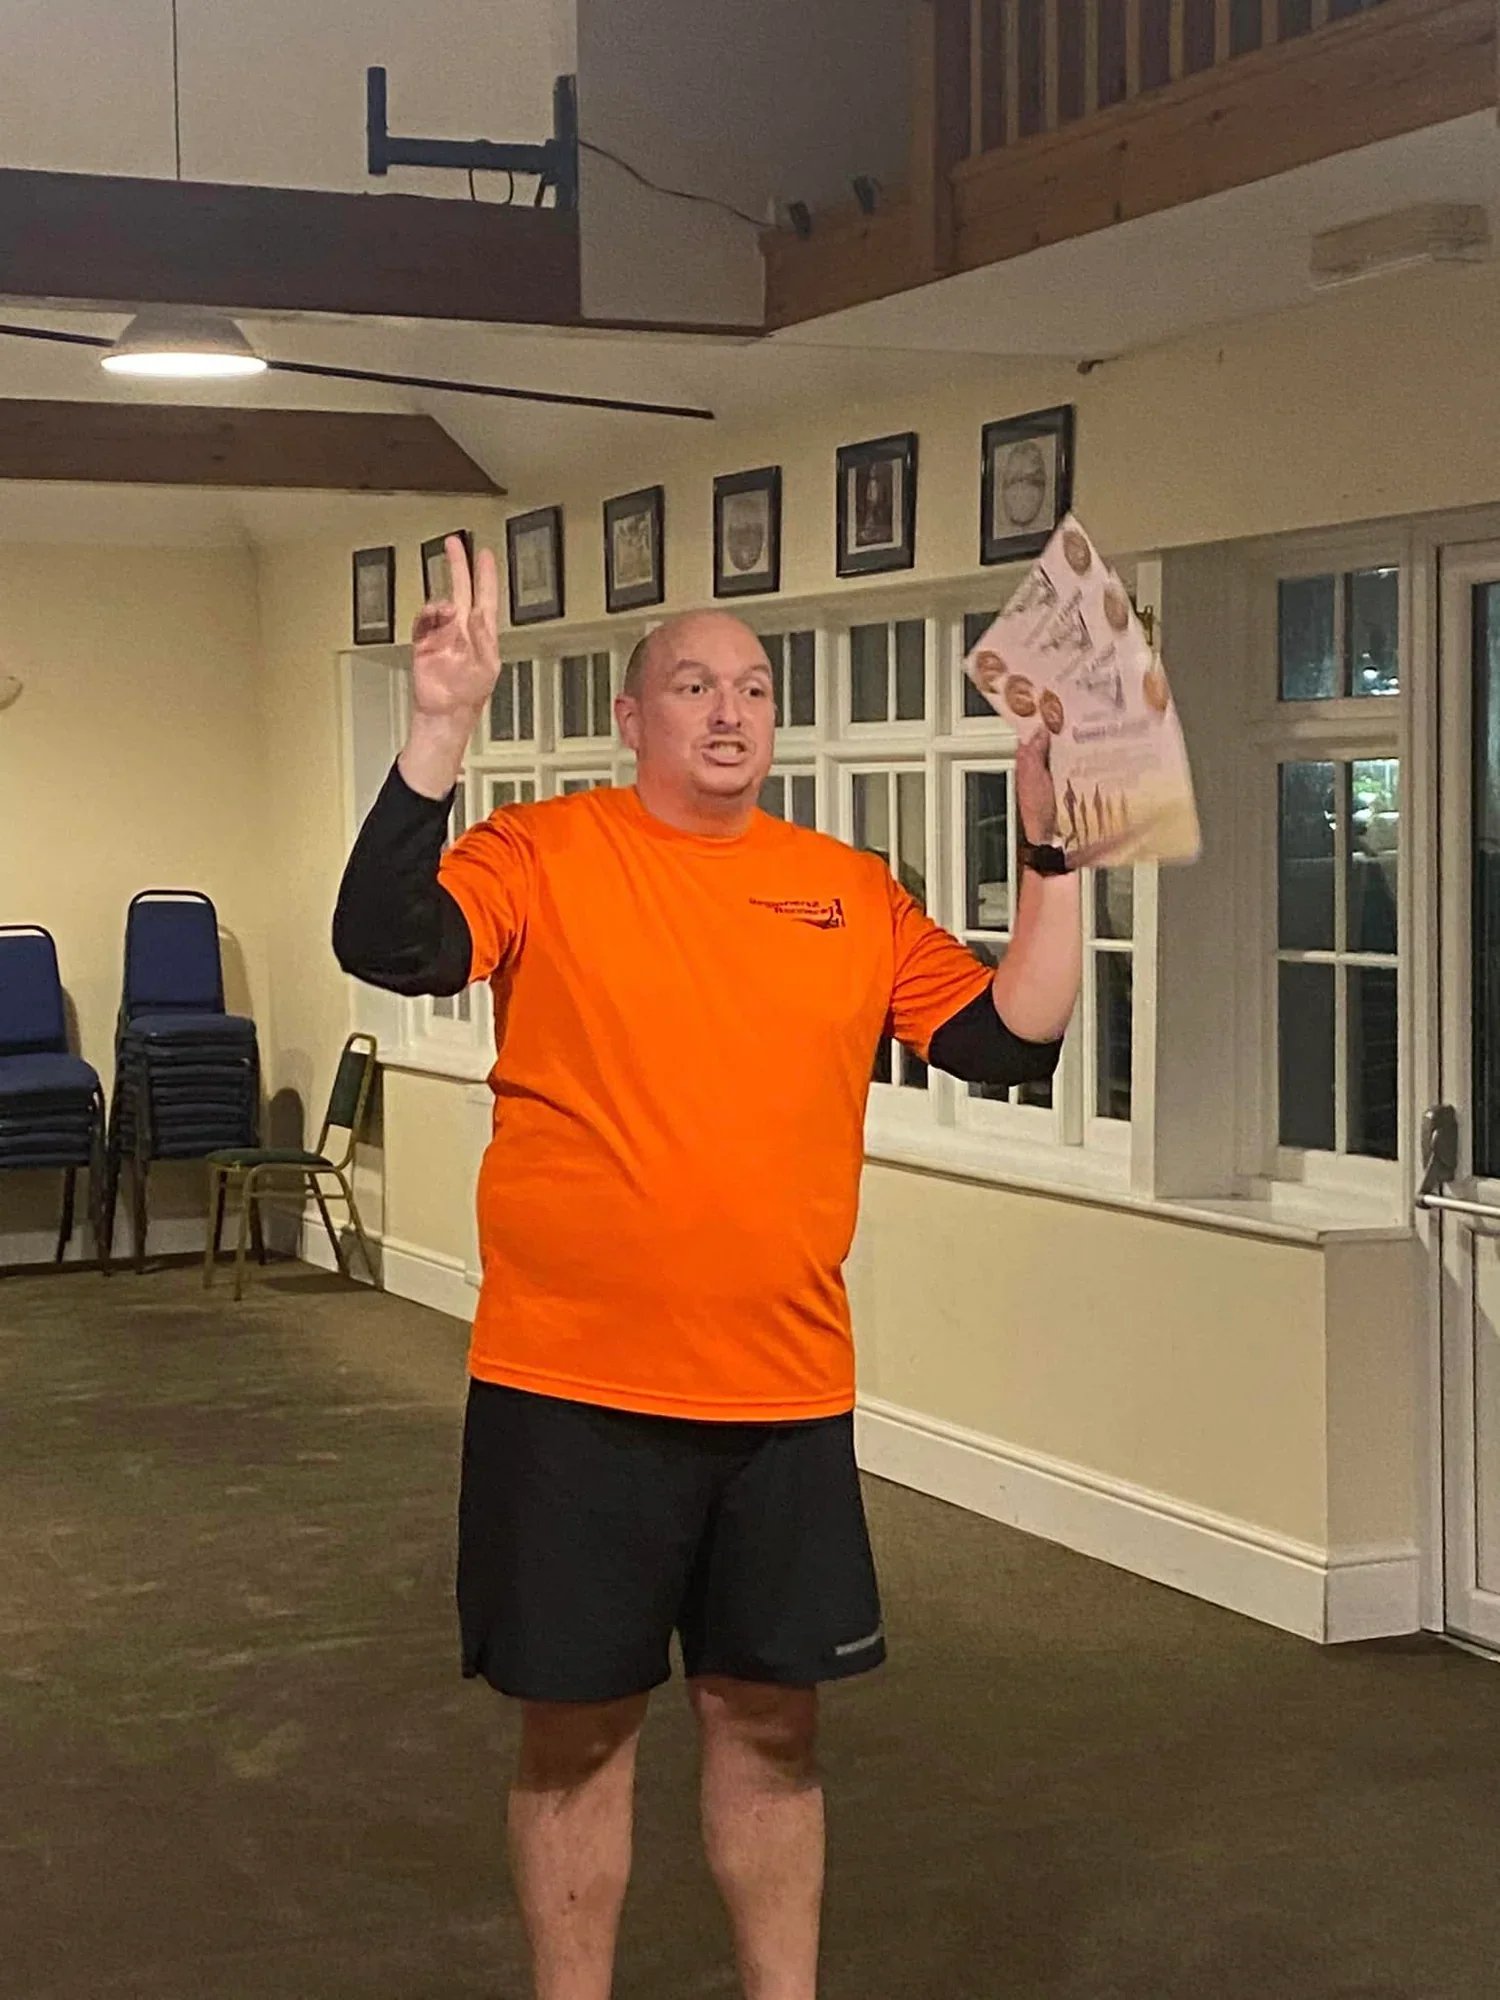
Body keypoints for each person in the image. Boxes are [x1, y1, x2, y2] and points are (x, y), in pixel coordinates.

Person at [332, 536, 1082, 2000]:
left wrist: (1048, 852)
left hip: (781, 1396)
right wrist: (437, 734)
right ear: (636, 716)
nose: (729, 711)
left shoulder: (844, 889)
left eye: (752, 686)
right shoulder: (544, 853)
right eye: (693, 685)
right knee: (577, 1735)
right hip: (572, 1391)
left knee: (771, 1731)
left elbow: (1015, 1035)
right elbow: (389, 940)